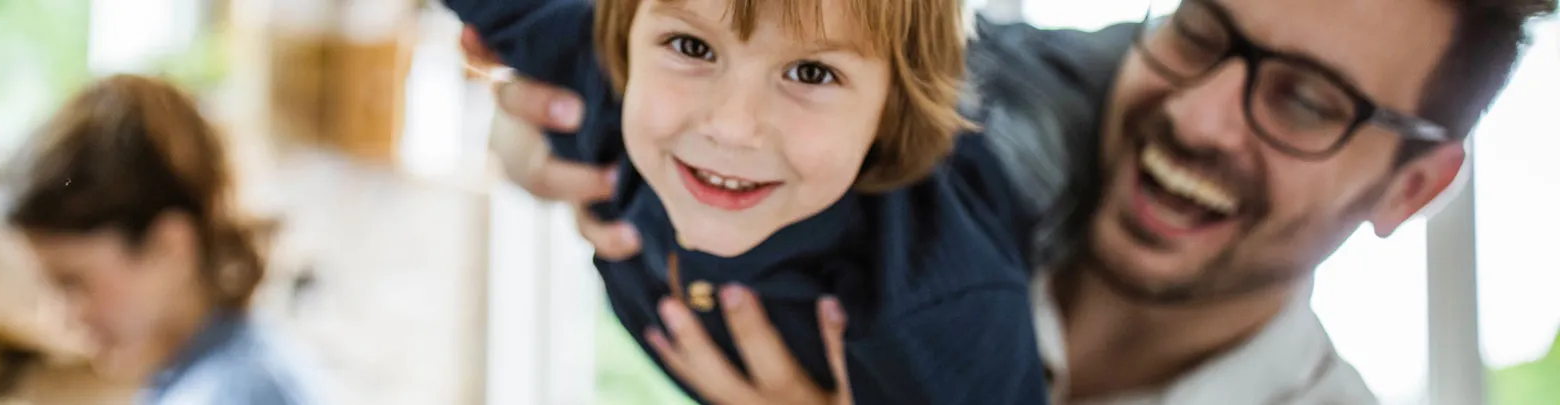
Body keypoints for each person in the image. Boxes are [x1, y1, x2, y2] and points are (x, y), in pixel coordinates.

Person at [473, 0, 1557, 402]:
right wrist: (566, 105)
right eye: (1201, 30)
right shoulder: (1008, 105)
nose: (1202, 115)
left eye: (1308, 102)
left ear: (1411, 188)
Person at [445, 0, 1047, 404]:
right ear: (623, 35)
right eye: (691, 47)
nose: (731, 127)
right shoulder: (593, 72)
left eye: (810, 73)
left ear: (890, 113)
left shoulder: (940, 316)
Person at [1, 75, 318, 404]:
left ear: (170, 247)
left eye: (73, 283)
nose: (62, 317)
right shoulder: (213, 371)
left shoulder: (233, 394)